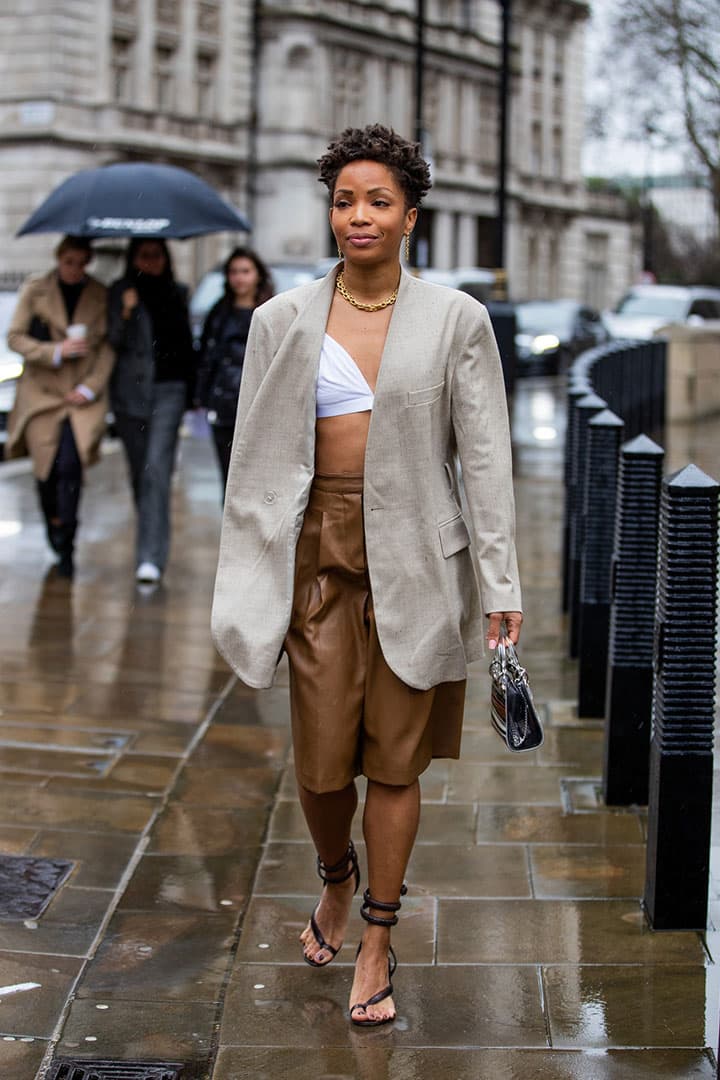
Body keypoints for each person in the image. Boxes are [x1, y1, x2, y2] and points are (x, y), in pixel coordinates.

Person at [211, 124, 523, 1027]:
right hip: (317, 556)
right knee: (318, 762)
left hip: (419, 562)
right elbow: (254, 461)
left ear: (409, 216)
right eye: (345, 200)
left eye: (377, 201)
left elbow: (487, 459)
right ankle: (336, 877)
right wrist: (247, 568)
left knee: (393, 759)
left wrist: (500, 584)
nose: (359, 215)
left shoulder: (456, 319)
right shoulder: (281, 320)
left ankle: (380, 937)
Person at [6, 235, 115, 577]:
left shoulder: (99, 293)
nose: (74, 270)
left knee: (71, 465)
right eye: (69, 262)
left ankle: (67, 536)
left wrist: (89, 387)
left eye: (82, 263)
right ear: (59, 258)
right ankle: (54, 523)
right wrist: (54, 351)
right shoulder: (35, 290)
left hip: (80, 399)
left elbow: (108, 348)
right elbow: (15, 337)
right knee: (46, 470)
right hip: (42, 395)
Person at [107, 238, 197, 584]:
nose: (151, 261)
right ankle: (148, 536)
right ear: (133, 258)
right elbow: (111, 341)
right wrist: (126, 312)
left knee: (157, 470)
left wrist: (193, 392)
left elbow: (185, 343)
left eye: (156, 255)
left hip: (169, 390)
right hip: (130, 393)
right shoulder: (120, 292)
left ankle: (151, 557)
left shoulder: (178, 291)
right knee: (139, 473)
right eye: (144, 255)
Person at [195, 247, 273, 495]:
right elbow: (207, 357)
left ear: (258, 274)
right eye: (234, 272)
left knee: (259, 482)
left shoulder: (272, 311)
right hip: (224, 406)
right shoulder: (219, 311)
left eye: (245, 271)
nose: (239, 277)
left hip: (260, 408)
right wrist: (201, 396)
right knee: (229, 481)